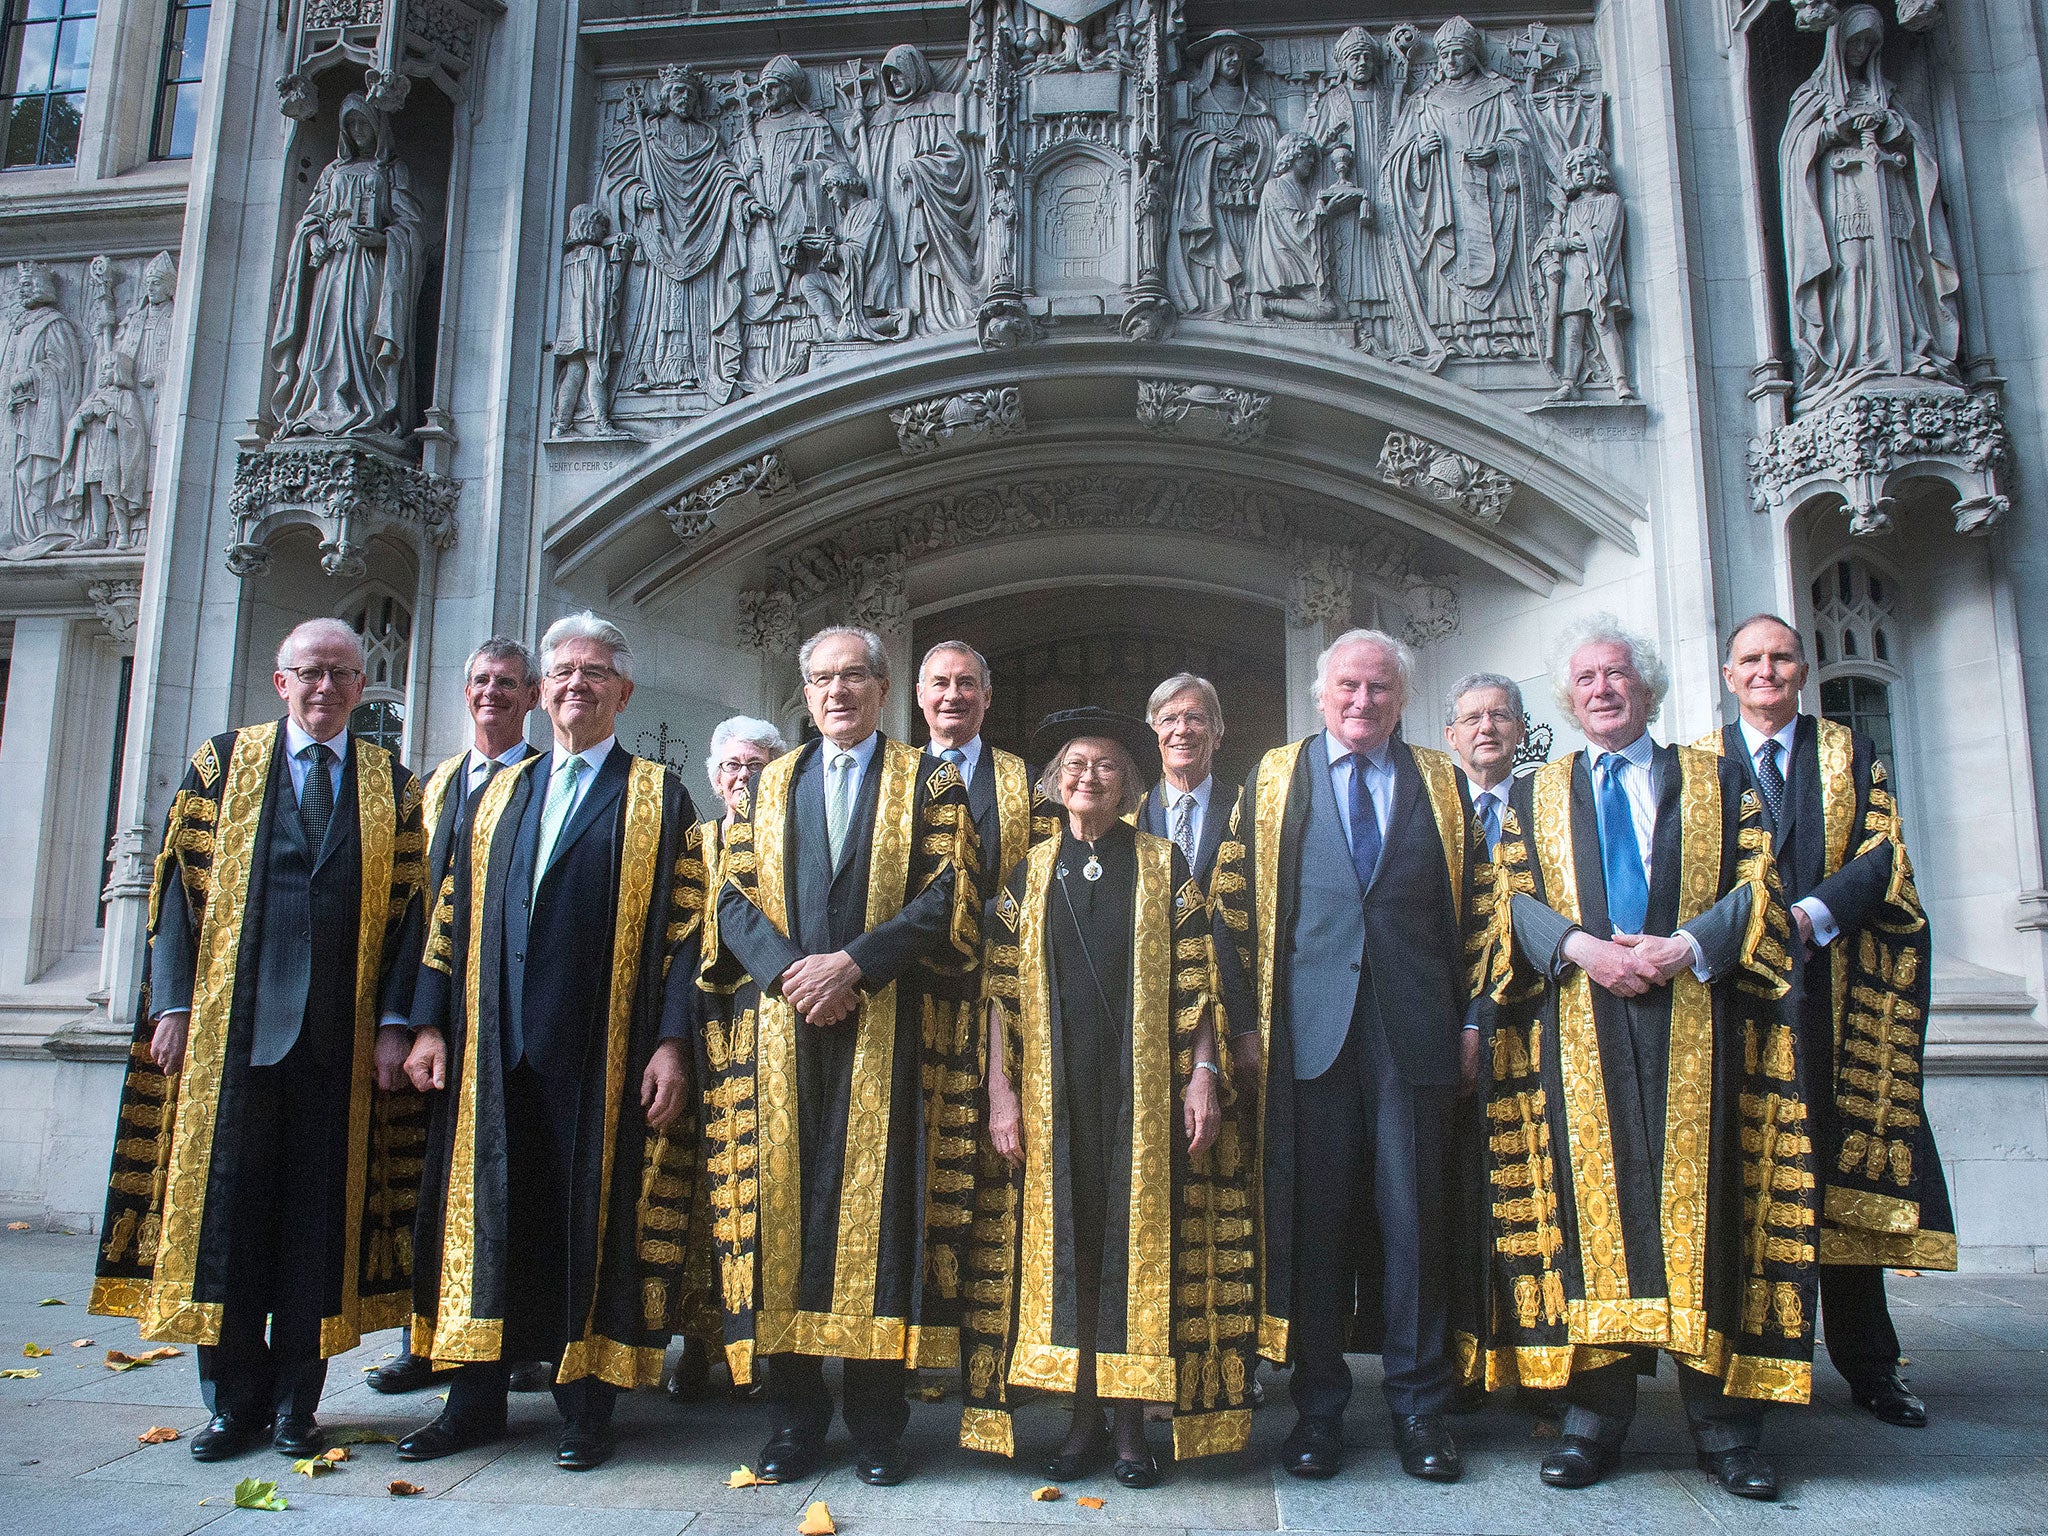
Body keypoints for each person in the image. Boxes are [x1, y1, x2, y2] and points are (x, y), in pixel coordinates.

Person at [1470, 615, 1815, 1502]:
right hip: (1578, 1023)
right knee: (1594, 1215)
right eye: (1585, 680)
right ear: (1568, 698)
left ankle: (1725, 1427)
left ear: (1647, 688)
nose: (1602, 690)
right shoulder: (1537, 793)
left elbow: (1761, 884)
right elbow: (1506, 896)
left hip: (1696, 1021)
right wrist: (1583, 948)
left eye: (1617, 676)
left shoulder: (1716, 777)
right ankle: (1593, 1422)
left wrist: (1687, 946)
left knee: (1709, 1216)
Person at [90, 619, 428, 1461]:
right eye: (310, 673)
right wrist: (169, 1007)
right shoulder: (224, 763)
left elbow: (414, 920)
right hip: (231, 1041)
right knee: (229, 1225)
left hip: (339, 1050)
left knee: (317, 1231)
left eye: (343, 675)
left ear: (361, 685)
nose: (326, 688)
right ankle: (231, 1403)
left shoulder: (393, 782)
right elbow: (175, 890)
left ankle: (294, 1407)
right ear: (281, 681)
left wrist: (394, 1025)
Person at [399, 613, 703, 1473]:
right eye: (564, 671)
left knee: (587, 1227)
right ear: (543, 692)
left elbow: (687, 934)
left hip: (601, 1052)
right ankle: (475, 1402)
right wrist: (427, 1023)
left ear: (623, 692)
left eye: (596, 673)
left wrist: (671, 1043)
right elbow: (447, 917)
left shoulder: (659, 795)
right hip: (490, 1046)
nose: (578, 685)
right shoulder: (501, 791)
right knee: (488, 1219)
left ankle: (585, 1407)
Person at [704, 625, 982, 1486]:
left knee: (875, 1218)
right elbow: (732, 896)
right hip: (786, 1029)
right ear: (805, 690)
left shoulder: (927, 780)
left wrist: (853, 964)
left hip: (886, 1025)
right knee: (783, 1217)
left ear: (881, 683)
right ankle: (792, 1419)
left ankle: (876, 1423)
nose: (837, 692)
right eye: (821, 678)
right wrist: (793, 974)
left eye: (853, 676)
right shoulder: (771, 781)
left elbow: (949, 894)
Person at [960, 708, 1254, 1485]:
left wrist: (1202, 1076)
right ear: (1055, 782)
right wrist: (1000, 1095)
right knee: (1074, 1250)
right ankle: (1080, 1418)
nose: (1090, 777)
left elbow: (1200, 983)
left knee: (1133, 1253)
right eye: (1076, 766)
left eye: (1108, 766)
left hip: (1142, 1099)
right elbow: (998, 997)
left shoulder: (1163, 866)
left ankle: (1130, 1427)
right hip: (1053, 1098)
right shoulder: (1027, 873)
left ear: (1131, 783)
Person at [1211, 629, 1477, 1484]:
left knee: (1414, 1223)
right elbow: (1230, 907)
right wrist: (1243, 1026)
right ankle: (1318, 1409)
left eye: (1380, 690)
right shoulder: (1275, 775)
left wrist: (1475, 1019)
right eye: (1350, 689)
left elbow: (1481, 912)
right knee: (1314, 1227)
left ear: (1402, 698)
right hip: (1306, 1035)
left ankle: (1419, 1409)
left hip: (1415, 1033)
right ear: (1322, 694)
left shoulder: (1441, 781)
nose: (1364, 703)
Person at [1701, 613, 1955, 1425]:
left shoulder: (1849, 753)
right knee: (1747, 1192)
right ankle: (1745, 1363)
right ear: (1728, 674)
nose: (1766, 672)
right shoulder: (1698, 761)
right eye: (1751, 660)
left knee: (1841, 1181)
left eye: (1780, 658)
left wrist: (1810, 915)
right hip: (1738, 1007)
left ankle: (1871, 1366)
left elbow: (1883, 854)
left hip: (1832, 997)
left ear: (1802, 671)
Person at [367, 639, 544, 1399]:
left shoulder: (543, 783)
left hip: (508, 1014)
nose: (492, 694)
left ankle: (518, 1340)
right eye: (480, 681)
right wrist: (406, 1018)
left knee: (510, 1186)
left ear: (531, 697)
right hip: (431, 1012)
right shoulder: (431, 787)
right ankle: (425, 1337)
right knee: (423, 1185)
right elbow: (410, 910)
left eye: (508, 683)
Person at [666, 713, 788, 1407]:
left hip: (764, 1037)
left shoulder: (786, 845)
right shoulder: (694, 844)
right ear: (714, 778)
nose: (743, 777)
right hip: (695, 1033)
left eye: (757, 766)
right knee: (691, 1202)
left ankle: (758, 1345)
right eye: (732, 767)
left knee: (759, 1196)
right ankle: (697, 1347)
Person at [916, 640, 1042, 912]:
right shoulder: (895, 778)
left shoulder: (1028, 783)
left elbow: (1040, 879)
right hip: (906, 950)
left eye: (966, 683)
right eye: (940, 683)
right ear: (920, 695)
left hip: (995, 943)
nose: (952, 695)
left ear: (987, 696)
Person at [1137, 673, 1232, 885]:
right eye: (1168, 720)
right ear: (1155, 737)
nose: (1181, 730)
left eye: (1195, 718)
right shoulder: (1131, 814)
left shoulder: (1245, 809)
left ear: (1217, 735)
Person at [1444, 672, 1526, 855]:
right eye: (1472, 718)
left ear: (1520, 731)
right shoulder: (1436, 813)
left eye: (1499, 715)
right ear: (1452, 737)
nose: (1487, 727)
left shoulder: (1542, 806)